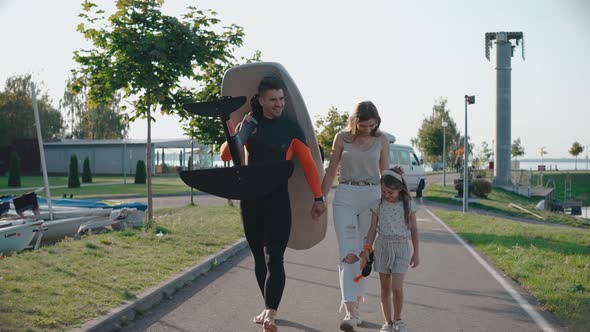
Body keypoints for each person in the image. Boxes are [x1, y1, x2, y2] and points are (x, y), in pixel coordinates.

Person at [220, 76, 326, 332]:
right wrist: (236, 126)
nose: (279, 104)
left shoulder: (290, 129)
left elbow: (309, 164)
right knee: (259, 258)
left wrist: (318, 197)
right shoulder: (250, 125)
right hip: (251, 200)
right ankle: (268, 307)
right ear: (261, 100)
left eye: (281, 99)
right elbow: (226, 154)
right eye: (273, 100)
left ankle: (271, 312)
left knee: (274, 257)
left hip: (278, 199)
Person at [320, 101, 390, 331]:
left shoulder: (382, 140)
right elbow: (331, 170)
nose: (367, 129)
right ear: (354, 121)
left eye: (371, 125)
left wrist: (394, 203)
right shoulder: (342, 138)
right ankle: (350, 311)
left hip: (372, 196)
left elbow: (386, 174)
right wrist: (319, 198)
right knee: (348, 252)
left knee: (364, 253)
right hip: (346, 195)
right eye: (363, 125)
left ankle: (357, 302)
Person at [364, 167, 419, 332]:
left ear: (400, 189)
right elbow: (372, 229)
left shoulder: (408, 205)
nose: (386, 195)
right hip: (382, 247)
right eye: (383, 191)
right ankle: (387, 322)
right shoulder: (378, 204)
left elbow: (415, 230)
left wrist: (416, 252)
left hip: (401, 247)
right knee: (385, 288)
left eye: (390, 192)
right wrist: (367, 248)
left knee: (397, 288)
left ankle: (398, 319)